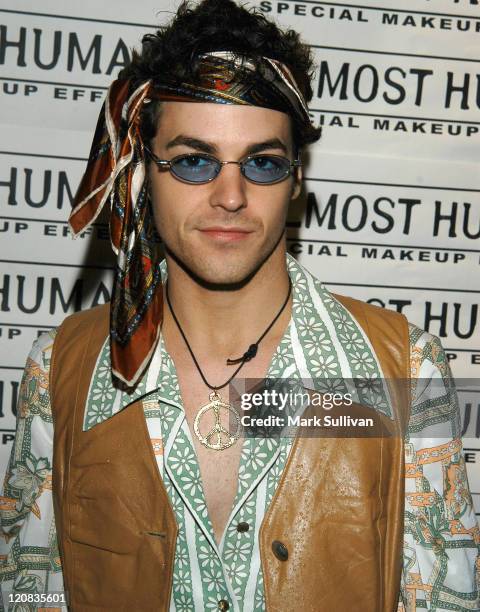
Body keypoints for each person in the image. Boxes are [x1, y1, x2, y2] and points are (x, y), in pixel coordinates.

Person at [1, 0, 479, 610]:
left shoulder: (398, 369)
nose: (231, 195)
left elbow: (447, 596)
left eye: (263, 162)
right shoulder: (62, 369)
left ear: (296, 180)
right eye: (194, 161)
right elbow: (28, 588)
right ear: (143, 174)